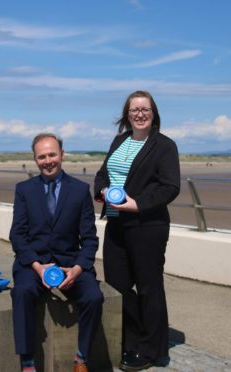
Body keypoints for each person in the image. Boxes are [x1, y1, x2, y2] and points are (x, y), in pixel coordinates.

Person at [94, 91, 180, 371]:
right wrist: (102, 190)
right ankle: (130, 340)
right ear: (127, 115)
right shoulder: (119, 140)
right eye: (134, 110)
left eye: (145, 109)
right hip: (117, 222)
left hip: (147, 226)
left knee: (148, 287)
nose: (140, 114)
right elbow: (103, 173)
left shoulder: (165, 146)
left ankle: (153, 349)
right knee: (118, 285)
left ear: (153, 113)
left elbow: (170, 186)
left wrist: (138, 204)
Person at [10, 133, 104, 372]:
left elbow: (90, 238)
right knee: (21, 293)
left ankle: (81, 358)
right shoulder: (24, 190)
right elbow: (18, 236)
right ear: (35, 160)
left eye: (52, 154)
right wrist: (37, 266)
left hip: (69, 263)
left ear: (62, 155)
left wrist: (78, 268)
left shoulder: (80, 190)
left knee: (94, 297)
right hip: (35, 264)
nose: (48, 160)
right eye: (42, 157)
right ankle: (27, 361)